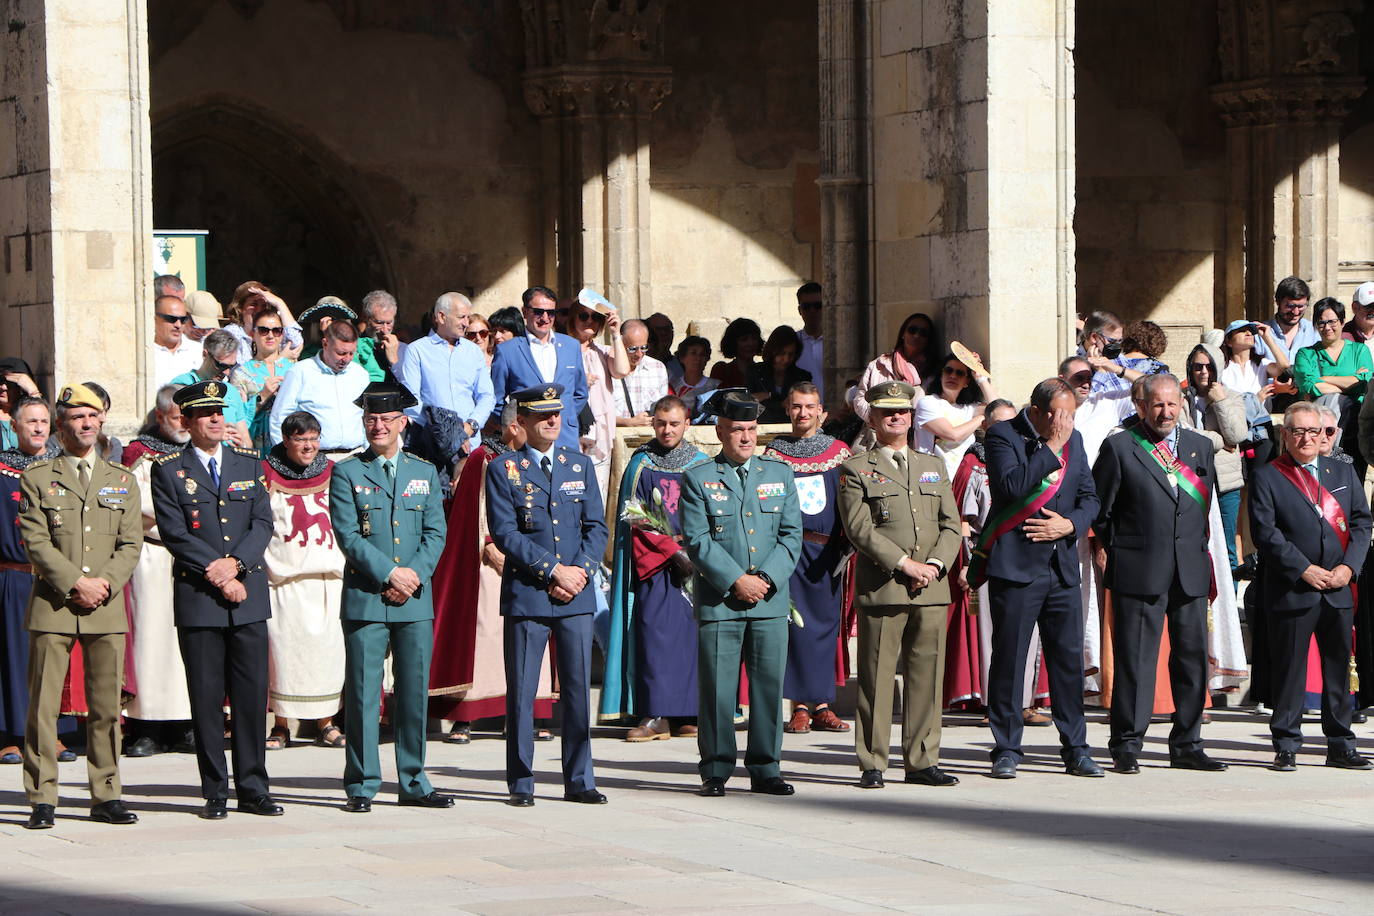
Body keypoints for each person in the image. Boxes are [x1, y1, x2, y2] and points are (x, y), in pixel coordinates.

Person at [151, 380, 281, 820]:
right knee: (206, 698)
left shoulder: (248, 462)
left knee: (250, 697)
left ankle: (254, 787)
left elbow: (262, 523)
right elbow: (175, 534)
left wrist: (237, 566)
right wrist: (221, 575)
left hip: (248, 595)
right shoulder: (168, 468)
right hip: (201, 596)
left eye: (219, 412)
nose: (214, 419)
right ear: (185, 421)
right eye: (204, 413)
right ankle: (215, 790)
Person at [18, 384, 143, 829]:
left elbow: (131, 544)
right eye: (76, 417)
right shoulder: (36, 478)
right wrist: (76, 583)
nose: (86, 424)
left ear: (102, 420)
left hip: (105, 607)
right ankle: (42, 797)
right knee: (43, 706)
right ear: (61, 424)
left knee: (107, 707)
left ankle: (106, 794)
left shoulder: (122, 480)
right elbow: (34, 540)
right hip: (54, 604)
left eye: (92, 416)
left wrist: (103, 583)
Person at [1093, 373, 1225, 775]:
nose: (1166, 412)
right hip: (1139, 570)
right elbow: (1101, 512)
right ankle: (1127, 745)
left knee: (1191, 661)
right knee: (1136, 661)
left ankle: (1187, 743)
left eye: (1172, 404)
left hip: (1189, 570)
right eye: (1157, 405)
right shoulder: (1119, 448)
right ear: (1141, 406)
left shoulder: (1201, 447)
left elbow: (1202, 509)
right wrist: (1126, 548)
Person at [330, 383, 451, 813]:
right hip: (367, 596)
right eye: (370, 419)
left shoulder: (423, 471)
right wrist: (390, 573)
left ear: (403, 423)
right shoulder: (347, 472)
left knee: (414, 692)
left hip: (414, 600)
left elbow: (437, 532)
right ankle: (362, 784)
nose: (377, 426)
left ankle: (414, 780)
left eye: (385, 419)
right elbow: (347, 535)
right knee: (364, 694)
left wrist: (412, 576)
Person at [486, 384, 609, 807]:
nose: (552, 421)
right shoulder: (504, 468)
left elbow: (597, 527)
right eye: (542, 416)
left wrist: (580, 573)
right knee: (522, 692)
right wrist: (553, 569)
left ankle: (580, 778)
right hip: (529, 593)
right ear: (521, 422)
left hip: (575, 594)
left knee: (577, 689)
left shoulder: (579, 465)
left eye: (556, 414)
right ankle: (521, 781)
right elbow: (505, 532)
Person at [680, 391, 803, 797]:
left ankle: (767, 767)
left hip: (768, 600)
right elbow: (697, 541)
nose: (746, 438)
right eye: (737, 430)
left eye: (751, 430)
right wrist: (737, 580)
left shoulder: (779, 474)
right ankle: (715, 767)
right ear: (720, 431)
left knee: (768, 687)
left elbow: (791, 536)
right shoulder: (698, 478)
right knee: (717, 688)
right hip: (721, 601)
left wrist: (765, 579)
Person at [838, 382, 961, 789]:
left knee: (927, 676)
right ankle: (873, 761)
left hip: (931, 587)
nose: (896, 417)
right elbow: (859, 529)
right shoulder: (857, 469)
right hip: (885, 586)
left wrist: (936, 564)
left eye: (903, 412)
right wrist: (905, 563)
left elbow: (951, 525)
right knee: (876, 678)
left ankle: (923, 760)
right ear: (871, 418)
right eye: (887, 411)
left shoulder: (934, 465)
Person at [979, 379, 1103, 779]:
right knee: (1011, 660)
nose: (1068, 422)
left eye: (1072, 414)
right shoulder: (1003, 434)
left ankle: (1077, 748)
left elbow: (1090, 499)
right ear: (1041, 411)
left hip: (1062, 566)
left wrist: (1070, 525)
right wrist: (1050, 446)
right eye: (1062, 414)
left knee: (1067, 661)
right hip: (1016, 567)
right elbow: (1012, 486)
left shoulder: (1076, 439)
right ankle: (1007, 747)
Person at [1249, 403, 1373, 771]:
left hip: (1338, 586)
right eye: (1298, 431)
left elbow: (1361, 523)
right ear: (1284, 435)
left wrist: (1350, 568)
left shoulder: (1343, 471)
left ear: (1324, 436)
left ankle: (1340, 743)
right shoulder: (1268, 476)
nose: (1306, 438)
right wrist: (1303, 569)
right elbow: (1265, 534)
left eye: (1313, 431)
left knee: (1338, 668)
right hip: (1293, 586)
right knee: (1290, 669)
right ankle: (1286, 742)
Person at [430, 399, 556, 743]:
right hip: (491, 560)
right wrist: (490, 545)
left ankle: (530, 711)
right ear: (515, 426)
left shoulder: (542, 459)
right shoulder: (482, 459)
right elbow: (475, 508)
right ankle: (467, 716)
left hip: (535, 561)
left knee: (533, 634)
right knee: (486, 632)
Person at [601, 396, 708, 739]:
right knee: (653, 635)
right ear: (653, 423)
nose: (667, 430)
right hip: (656, 564)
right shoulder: (641, 464)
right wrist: (672, 553)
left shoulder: (702, 463)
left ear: (686, 423)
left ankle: (688, 711)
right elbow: (633, 515)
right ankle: (654, 713)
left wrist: (697, 554)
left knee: (693, 639)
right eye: (661, 423)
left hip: (698, 562)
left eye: (674, 424)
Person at [765, 383, 853, 736]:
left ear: (822, 412)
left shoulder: (840, 453)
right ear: (787, 409)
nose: (803, 413)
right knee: (793, 627)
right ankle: (799, 706)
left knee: (824, 628)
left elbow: (851, 503)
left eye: (810, 407)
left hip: (827, 552)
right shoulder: (774, 454)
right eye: (796, 406)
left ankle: (823, 704)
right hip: (788, 552)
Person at [262, 412, 347, 750]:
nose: (309, 446)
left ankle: (325, 724)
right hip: (283, 579)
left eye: (314, 438)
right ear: (286, 440)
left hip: (327, 578)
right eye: (301, 439)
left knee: (326, 656)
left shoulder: (332, 472)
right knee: (283, 657)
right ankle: (281, 725)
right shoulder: (266, 473)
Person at [120, 385, 195, 758]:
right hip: (154, 554)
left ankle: (186, 724)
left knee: (191, 643)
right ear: (160, 415)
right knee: (152, 642)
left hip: (195, 557)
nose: (183, 423)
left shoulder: (201, 451)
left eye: (188, 415)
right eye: (177, 416)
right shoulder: (139, 454)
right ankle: (145, 727)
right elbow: (138, 504)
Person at [0, 398, 61, 765]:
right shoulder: (2, 469)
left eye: (43, 421)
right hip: (14, 575)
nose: (38, 428)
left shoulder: (61, 468)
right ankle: (10, 735)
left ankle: (52, 732)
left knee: (52, 658)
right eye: (30, 422)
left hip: (55, 578)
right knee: (12, 657)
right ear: (16, 427)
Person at [397, 292, 496, 477]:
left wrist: (469, 427)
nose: (466, 323)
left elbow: (487, 396)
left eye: (467, 317)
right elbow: (411, 400)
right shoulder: (417, 350)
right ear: (441, 317)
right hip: (431, 448)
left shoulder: (473, 352)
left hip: (470, 446)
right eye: (461, 317)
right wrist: (448, 433)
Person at [489, 287, 589, 453]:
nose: (545, 318)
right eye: (538, 312)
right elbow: (495, 399)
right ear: (525, 312)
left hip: (565, 438)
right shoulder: (507, 351)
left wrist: (565, 416)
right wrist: (519, 425)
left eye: (550, 313)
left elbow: (580, 393)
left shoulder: (571, 346)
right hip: (526, 441)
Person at [1181, 341, 1248, 574]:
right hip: (1190, 479)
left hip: (1224, 482)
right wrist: (1220, 441)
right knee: (1194, 542)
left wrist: (1220, 401)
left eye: (1209, 367)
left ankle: (1229, 606)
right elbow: (1181, 435)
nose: (1203, 372)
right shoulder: (1180, 398)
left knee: (1228, 547)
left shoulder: (1232, 396)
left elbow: (1237, 434)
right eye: (1198, 366)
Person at [1294, 298, 1372, 480]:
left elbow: (1364, 383)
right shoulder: (1306, 354)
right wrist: (1349, 382)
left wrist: (1323, 379)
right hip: (1318, 433)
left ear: (1343, 322)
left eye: (1332, 321)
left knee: (1353, 482)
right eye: (1321, 322)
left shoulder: (1360, 351)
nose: (1327, 327)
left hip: (1354, 430)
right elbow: (1308, 386)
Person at [269, 319, 370, 454]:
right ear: (325, 343)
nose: (346, 359)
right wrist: (285, 457)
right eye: (340, 353)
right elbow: (279, 418)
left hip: (356, 456)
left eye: (351, 353)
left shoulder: (360, 375)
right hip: (314, 458)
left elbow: (368, 417)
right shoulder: (300, 372)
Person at [569, 292, 629, 498]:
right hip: (571, 430)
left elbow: (621, 370)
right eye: (583, 316)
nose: (590, 321)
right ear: (573, 318)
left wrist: (615, 333)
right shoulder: (560, 349)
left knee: (597, 495)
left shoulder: (603, 351)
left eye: (595, 317)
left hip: (599, 431)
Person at [851, 313, 937, 449]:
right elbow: (860, 399)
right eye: (912, 330)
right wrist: (877, 420)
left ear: (929, 340)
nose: (916, 335)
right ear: (903, 333)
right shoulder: (879, 364)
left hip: (912, 440)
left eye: (923, 333)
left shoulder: (933, 373)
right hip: (874, 437)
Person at [914, 351, 996, 478]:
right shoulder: (928, 403)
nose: (953, 375)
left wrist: (980, 377)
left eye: (959, 373)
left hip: (964, 483)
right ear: (941, 375)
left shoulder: (969, 409)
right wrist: (980, 418)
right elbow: (952, 435)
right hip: (933, 481)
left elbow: (998, 411)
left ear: (966, 381)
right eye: (948, 370)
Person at [170, 329, 253, 448]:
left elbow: (247, 441)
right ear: (205, 355)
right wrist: (215, 434)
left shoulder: (232, 392)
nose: (227, 372)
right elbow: (174, 432)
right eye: (220, 365)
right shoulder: (182, 385)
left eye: (232, 366)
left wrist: (242, 445)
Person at [240, 303, 296, 456]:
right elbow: (236, 416)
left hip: (290, 447)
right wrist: (262, 396)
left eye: (276, 330)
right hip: (255, 446)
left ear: (282, 334)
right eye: (264, 330)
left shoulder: (295, 369)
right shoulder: (242, 372)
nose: (270, 335)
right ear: (253, 334)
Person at [748, 326, 812, 425]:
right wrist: (780, 403)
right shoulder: (755, 372)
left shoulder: (802, 377)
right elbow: (748, 405)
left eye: (791, 354)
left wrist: (766, 398)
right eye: (782, 353)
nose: (786, 359)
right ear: (772, 351)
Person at [224, 282, 303, 360]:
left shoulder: (273, 332)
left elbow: (295, 346)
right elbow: (238, 370)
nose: (259, 310)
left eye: (264, 306)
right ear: (240, 308)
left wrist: (280, 303)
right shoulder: (230, 334)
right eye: (254, 304)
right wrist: (280, 359)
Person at [614, 319, 670, 427]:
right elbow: (598, 416)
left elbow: (664, 411)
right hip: (617, 437)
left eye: (644, 348)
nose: (639, 354)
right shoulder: (607, 368)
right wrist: (628, 423)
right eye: (632, 349)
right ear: (620, 343)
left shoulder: (658, 368)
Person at [1253, 275, 1319, 364]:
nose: (1295, 312)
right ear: (1277, 302)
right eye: (1290, 306)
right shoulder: (1261, 334)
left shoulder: (1314, 331)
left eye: (1300, 306)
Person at [150, 294, 203, 387]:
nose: (178, 325)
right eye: (172, 319)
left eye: (183, 320)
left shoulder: (199, 351)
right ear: (154, 319)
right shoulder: (143, 352)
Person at [356, 289, 406, 382]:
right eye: (379, 323)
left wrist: (394, 360)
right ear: (366, 318)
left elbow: (409, 386)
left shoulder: (405, 350)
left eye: (389, 322)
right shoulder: (356, 348)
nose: (385, 330)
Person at [669, 335, 720, 420]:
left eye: (702, 354)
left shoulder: (715, 386)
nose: (698, 358)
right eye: (693, 353)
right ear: (682, 358)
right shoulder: (673, 386)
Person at [708, 318, 764, 390]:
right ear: (733, 343)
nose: (750, 343)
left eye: (754, 338)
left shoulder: (763, 371)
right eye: (744, 339)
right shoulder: (722, 370)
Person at [794, 282, 826, 402]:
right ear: (799, 310)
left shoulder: (839, 344)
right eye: (806, 307)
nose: (812, 311)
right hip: (804, 413)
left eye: (818, 305)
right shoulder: (793, 343)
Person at [645, 312, 681, 378]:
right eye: (658, 330)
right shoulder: (638, 365)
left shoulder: (682, 365)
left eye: (667, 329)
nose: (663, 333)